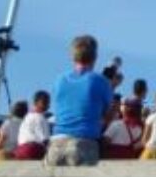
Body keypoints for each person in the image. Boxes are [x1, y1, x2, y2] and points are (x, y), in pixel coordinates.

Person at [46, 35, 113, 166]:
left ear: (72, 56)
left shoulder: (59, 80)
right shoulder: (100, 81)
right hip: (84, 144)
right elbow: (107, 114)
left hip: (56, 144)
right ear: (95, 57)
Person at [16, 91, 51, 160]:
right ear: (37, 103)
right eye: (45, 102)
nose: (47, 105)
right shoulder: (40, 117)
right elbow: (45, 140)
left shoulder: (27, 117)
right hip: (32, 149)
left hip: (19, 150)